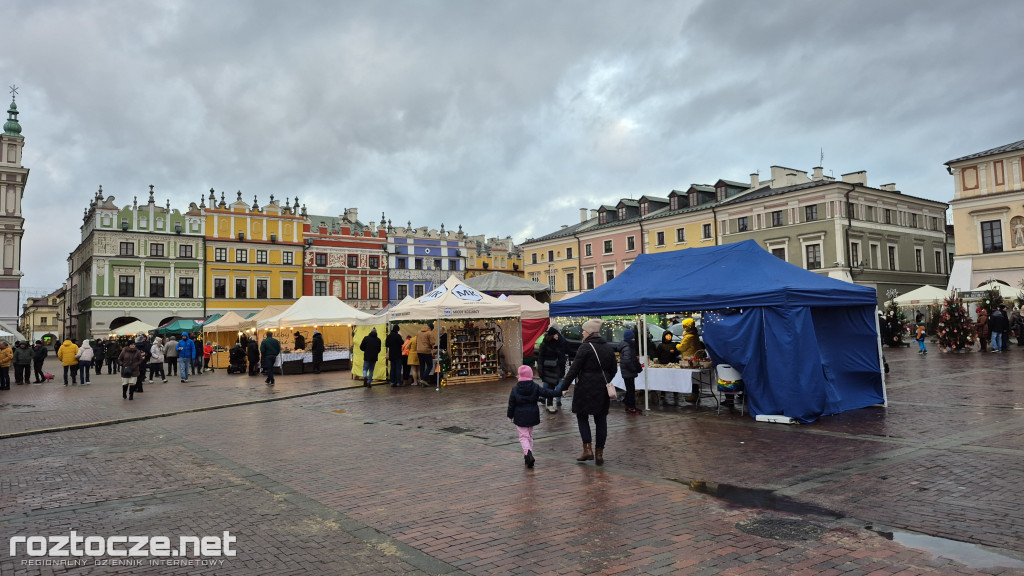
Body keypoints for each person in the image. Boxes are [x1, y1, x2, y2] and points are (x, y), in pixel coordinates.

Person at [561, 318, 617, 466]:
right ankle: (599, 453)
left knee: (582, 416)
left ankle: (587, 449)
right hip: (601, 388)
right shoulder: (607, 347)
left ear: (590, 332)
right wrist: (605, 379)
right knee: (600, 420)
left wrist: (564, 386)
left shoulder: (585, 347)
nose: (582, 334)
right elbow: (614, 369)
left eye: (584, 331)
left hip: (584, 387)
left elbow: (574, 369)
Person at [508, 365, 562, 468]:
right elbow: (547, 393)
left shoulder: (515, 389)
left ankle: (528, 454)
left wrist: (510, 416)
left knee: (523, 437)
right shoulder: (535, 387)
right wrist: (560, 392)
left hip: (520, 416)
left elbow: (511, 404)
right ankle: (528, 455)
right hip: (532, 414)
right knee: (529, 436)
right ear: (530, 375)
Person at [537, 327, 568, 413]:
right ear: (552, 335)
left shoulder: (557, 343)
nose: (557, 335)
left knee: (551, 386)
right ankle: (549, 404)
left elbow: (561, 353)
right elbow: (540, 358)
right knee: (550, 386)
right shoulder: (544, 344)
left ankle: (549, 403)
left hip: (555, 368)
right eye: (556, 334)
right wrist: (540, 370)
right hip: (548, 368)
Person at [675, 318, 704, 404]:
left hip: (689, 359)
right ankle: (695, 394)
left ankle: (694, 395)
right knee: (694, 377)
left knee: (692, 378)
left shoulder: (688, 337)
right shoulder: (695, 335)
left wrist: (676, 345)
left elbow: (682, 347)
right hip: (695, 358)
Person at [619, 329, 644, 415]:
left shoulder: (628, 346)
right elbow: (627, 360)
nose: (634, 339)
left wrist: (637, 367)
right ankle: (631, 407)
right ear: (630, 338)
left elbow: (632, 359)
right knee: (631, 390)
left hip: (627, 372)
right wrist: (634, 368)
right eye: (633, 338)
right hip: (628, 372)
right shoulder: (627, 347)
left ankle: (629, 405)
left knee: (630, 390)